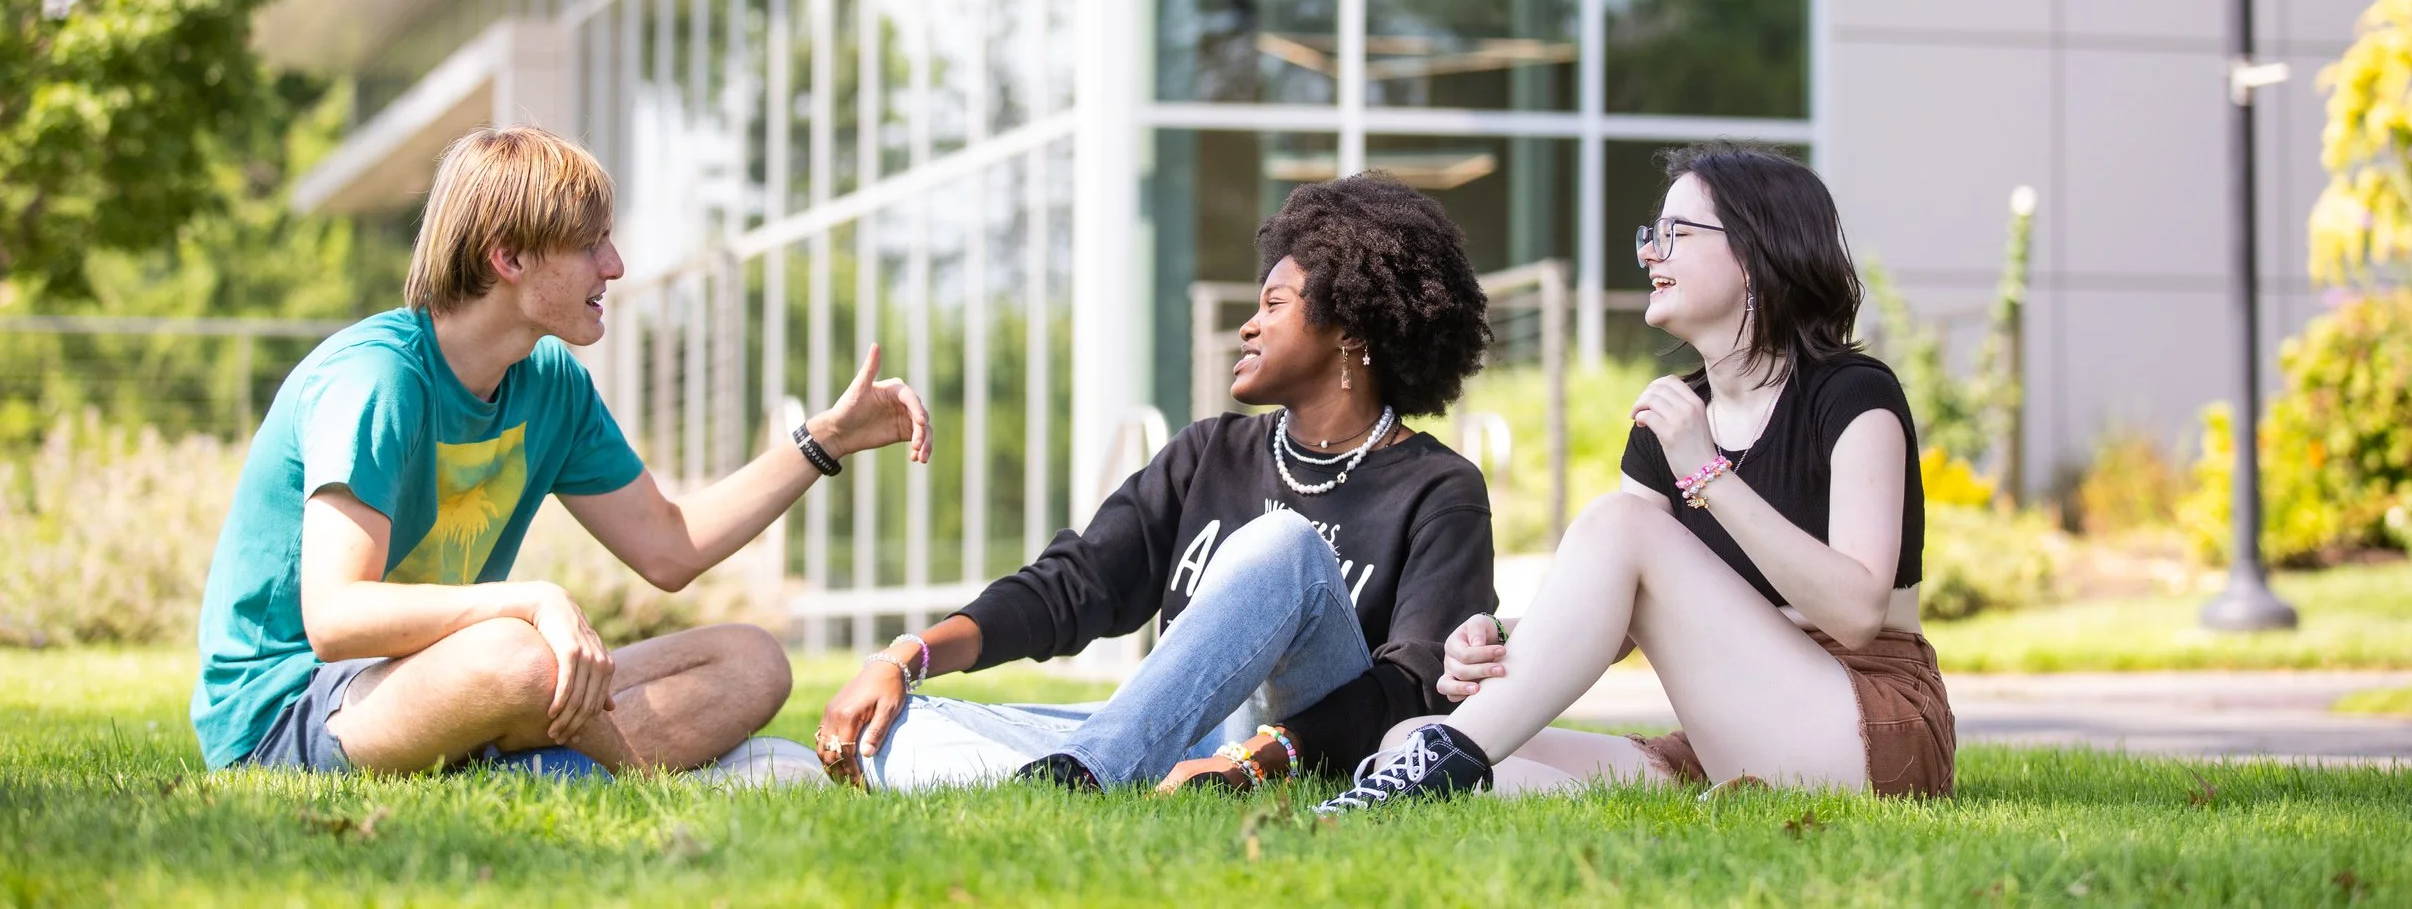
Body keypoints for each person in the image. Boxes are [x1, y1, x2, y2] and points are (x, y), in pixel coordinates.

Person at [191, 126, 931, 777]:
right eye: (588, 244)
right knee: (513, 657)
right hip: (295, 711)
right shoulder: (376, 378)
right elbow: (337, 618)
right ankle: (632, 771)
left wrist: (822, 441)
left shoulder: (551, 384)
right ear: (508, 256)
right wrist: (533, 599)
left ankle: (532, 761)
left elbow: (670, 546)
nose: (613, 264)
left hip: (448, 683)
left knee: (752, 660)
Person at [811, 172, 1497, 794]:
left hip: (1305, 750)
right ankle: (1114, 774)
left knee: (1285, 544)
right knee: (901, 722)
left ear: (1350, 325)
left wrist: (1255, 760)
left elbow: (1414, 690)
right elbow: (1072, 585)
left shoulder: (1440, 488)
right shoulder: (1209, 452)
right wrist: (905, 657)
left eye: (1274, 303)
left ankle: (1087, 774)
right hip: (1168, 740)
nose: (1247, 324)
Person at [1321, 144, 1952, 810]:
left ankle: (1442, 764)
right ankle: (1449, 763)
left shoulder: (1853, 395)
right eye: (1652, 235)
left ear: (1758, 254)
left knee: (1622, 524)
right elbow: (1615, 623)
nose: (1651, 253)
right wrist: (1504, 638)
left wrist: (1706, 471)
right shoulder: (1671, 419)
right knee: (1406, 734)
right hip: (1729, 738)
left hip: (1868, 725)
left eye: (1676, 234)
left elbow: (1857, 614)